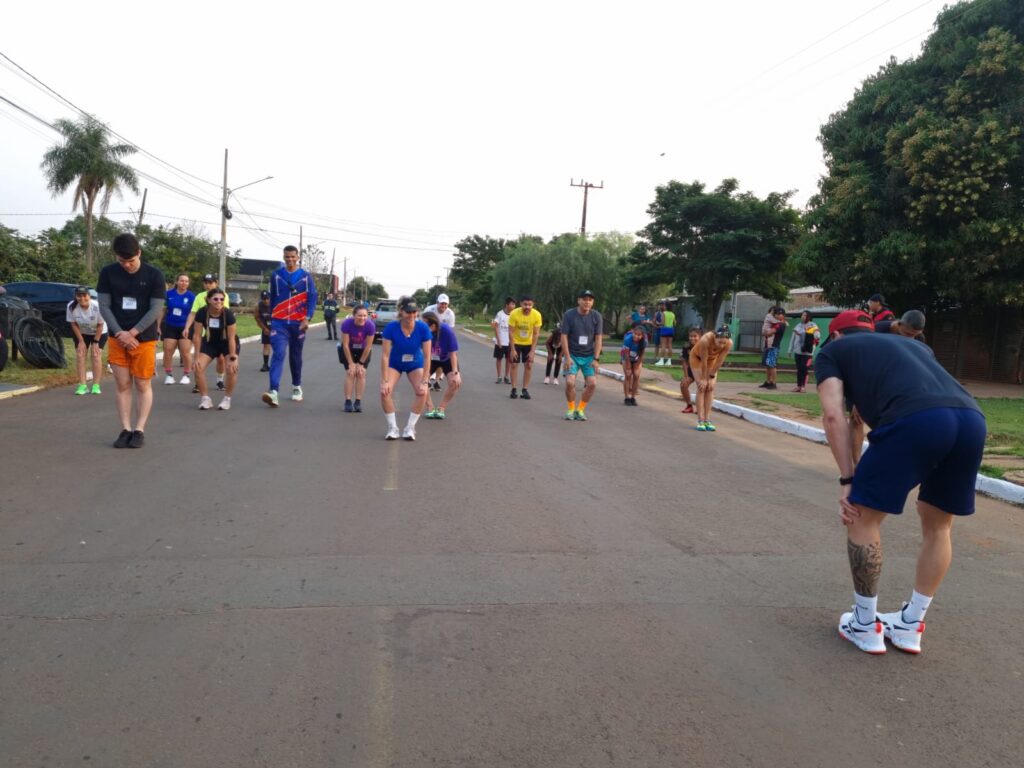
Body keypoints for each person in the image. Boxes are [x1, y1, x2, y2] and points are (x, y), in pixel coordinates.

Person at [814, 309, 986, 655]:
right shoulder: (912, 348)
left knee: (861, 517)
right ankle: (910, 625)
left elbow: (833, 415)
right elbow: (857, 422)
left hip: (917, 418)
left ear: (835, 335)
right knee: (939, 525)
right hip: (971, 419)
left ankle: (864, 624)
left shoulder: (832, 352)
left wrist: (849, 481)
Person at [96, 233, 166, 449]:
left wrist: (133, 332)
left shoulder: (154, 275)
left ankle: (139, 429)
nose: (126, 265)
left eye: (131, 261)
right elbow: (104, 306)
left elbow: (155, 308)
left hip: (143, 339)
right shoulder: (108, 273)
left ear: (139, 253)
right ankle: (125, 428)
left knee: (142, 383)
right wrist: (120, 333)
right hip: (118, 337)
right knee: (122, 383)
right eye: (122, 261)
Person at [263, 245, 317, 407]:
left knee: (295, 356)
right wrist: (271, 317)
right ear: (284, 257)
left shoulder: (306, 277)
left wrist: (307, 318)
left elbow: (312, 298)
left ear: (298, 257)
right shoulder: (276, 275)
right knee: (278, 354)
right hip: (279, 322)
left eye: (293, 257)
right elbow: (273, 296)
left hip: (298, 323)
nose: (290, 260)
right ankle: (273, 391)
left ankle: (296, 386)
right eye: (287, 257)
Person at [380, 297, 433, 440]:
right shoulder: (391, 328)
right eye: (408, 312)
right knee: (385, 392)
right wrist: (384, 380)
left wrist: (425, 380)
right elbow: (385, 356)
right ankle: (393, 428)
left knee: (422, 391)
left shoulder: (423, 328)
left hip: (415, 364)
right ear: (401, 312)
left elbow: (428, 356)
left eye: (414, 312)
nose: (411, 315)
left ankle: (410, 428)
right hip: (395, 363)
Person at [191, 288, 238, 410]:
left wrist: (233, 357)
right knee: (197, 367)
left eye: (222, 299)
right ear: (208, 300)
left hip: (227, 343)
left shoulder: (227, 314)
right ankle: (205, 399)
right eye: (215, 299)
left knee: (231, 368)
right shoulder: (202, 312)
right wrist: (195, 357)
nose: (219, 301)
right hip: (210, 342)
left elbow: (232, 338)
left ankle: (227, 399)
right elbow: (196, 336)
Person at [560, 289, 603, 421]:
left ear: (593, 302)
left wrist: (596, 358)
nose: (587, 302)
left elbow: (598, 338)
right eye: (584, 299)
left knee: (592, 384)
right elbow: (564, 336)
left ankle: (580, 410)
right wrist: (567, 357)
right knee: (569, 382)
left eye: (590, 300)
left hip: (589, 356)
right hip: (572, 354)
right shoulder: (569, 315)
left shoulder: (596, 316)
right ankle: (571, 409)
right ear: (579, 300)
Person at [185, 274, 230, 393]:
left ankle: (220, 380)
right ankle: (198, 383)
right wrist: (187, 327)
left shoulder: (222, 296)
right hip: (204, 333)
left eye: (210, 282)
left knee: (220, 359)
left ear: (216, 283)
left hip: (219, 333)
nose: (208, 285)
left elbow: (224, 313)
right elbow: (193, 313)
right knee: (198, 359)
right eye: (205, 282)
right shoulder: (199, 296)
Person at [688, 326, 734, 432]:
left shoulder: (729, 343)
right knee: (701, 387)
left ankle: (707, 420)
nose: (722, 345)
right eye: (720, 342)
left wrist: (712, 375)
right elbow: (703, 361)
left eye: (724, 342)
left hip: (712, 360)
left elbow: (720, 359)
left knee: (710, 387)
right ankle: (700, 420)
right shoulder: (705, 340)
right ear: (715, 337)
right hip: (697, 358)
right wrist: (704, 378)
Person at [67, 285, 106, 395]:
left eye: (84, 295)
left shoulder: (97, 306)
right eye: (79, 296)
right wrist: (81, 341)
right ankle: (83, 385)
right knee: (80, 355)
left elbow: (100, 325)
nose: (82, 298)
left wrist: (96, 342)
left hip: (99, 332)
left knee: (96, 355)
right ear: (76, 297)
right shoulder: (71, 306)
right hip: (82, 332)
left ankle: (96, 385)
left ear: (89, 296)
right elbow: (73, 324)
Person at [422, 310, 461, 419]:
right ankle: (430, 407)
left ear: (433, 325)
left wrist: (455, 372)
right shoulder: (423, 332)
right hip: (431, 359)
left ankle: (441, 408)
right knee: (421, 381)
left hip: (446, 358)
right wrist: (424, 375)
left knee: (455, 382)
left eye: (425, 325)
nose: (423, 328)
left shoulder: (447, 331)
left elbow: (453, 354)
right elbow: (423, 353)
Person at [339, 304, 376, 413]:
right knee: (350, 373)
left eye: (365, 315)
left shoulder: (370, 326)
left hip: (363, 350)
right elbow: (345, 345)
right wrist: (350, 363)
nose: (362, 318)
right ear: (354, 315)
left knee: (361, 373)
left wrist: (360, 363)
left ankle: (358, 401)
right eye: (359, 315)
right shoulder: (347, 324)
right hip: (348, 349)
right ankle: (348, 401)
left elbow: (369, 346)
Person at [160, 273, 195, 385]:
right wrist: (158, 325)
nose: (184, 283)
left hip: (185, 327)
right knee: (168, 350)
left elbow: (193, 313)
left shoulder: (191, 296)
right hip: (170, 326)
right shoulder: (168, 294)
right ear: (177, 281)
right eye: (181, 280)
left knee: (185, 352)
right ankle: (169, 375)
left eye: (186, 281)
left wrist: (187, 327)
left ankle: (186, 374)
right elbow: (163, 310)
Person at [507, 294, 543, 400]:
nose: (527, 307)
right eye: (525, 304)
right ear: (521, 304)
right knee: (514, 365)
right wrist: (513, 349)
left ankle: (525, 389)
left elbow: (536, 334)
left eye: (530, 305)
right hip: (516, 342)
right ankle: (514, 389)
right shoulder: (514, 313)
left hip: (529, 343)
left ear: (533, 304)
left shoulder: (537, 315)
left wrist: (532, 351)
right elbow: (511, 332)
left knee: (529, 365)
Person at [788, 310, 820, 393]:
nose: (802, 317)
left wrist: (810, 332)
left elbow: (817, 336)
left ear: (809, 317)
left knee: (804, 368)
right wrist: (790, 350)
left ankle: (803, 386)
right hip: (798, 351)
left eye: (804, 315)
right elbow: (793, 338)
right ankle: (798, 386)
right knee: (799, 369)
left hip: (808, 352)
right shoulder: (798, 325)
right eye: (802, 315)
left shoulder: (813, 325)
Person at [759, 307, 787, 390]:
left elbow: (770, 332)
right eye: (776, 314)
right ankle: (768, 381)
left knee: (772, 365)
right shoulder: (774, 323)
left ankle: (773, 383)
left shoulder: (781, 324)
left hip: (774, 346)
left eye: (779, 314)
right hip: (768, 345)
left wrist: (768, 331)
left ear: (783, 315)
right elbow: (765, 333)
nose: (777, 316)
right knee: (768, 365)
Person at [620, 323, 647, 405]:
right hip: (626, 357)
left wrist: (636, 366)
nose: (636, 336)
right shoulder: (628, 339)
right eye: (635, 334)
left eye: (639, 335)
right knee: (628, 375)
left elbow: (642, 354)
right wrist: (628, 367)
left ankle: (633, 397)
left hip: (636, 358)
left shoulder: (644, 342)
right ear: (633, 333)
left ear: (642, 336)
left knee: (636, 375)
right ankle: (626, 397)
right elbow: (626, 354)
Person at [491, 297, 515, 384]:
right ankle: (499, 376)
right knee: (499, 359)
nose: (513, 306)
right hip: (500, 342)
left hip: (510, 342)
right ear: (507, 305)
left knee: (509, 359)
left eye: (514, 304)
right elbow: (495, 327)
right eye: (512, 304)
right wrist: (499, 341)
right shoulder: (500, 314)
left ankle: (506, 376)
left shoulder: (514, 315)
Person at [679, 327, 702, 414]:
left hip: (702, 370)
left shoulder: (703, 346)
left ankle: (700, 408)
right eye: (690, 336)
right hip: (691, 369)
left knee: (701, 388)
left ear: (700, 337)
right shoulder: (686, 346)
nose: (692, 338)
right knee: (683, 385)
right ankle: (689, 406)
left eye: (695, 336)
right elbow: (684, 361)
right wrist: (686, 376)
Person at [255, 290, 273, 371]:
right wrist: (264, 328)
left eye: (267, 298)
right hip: (266, 328)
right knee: (266, 346)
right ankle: (265, 365)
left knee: (277, 346)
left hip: (276, 328)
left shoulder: (275, 304)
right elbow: (257, 318)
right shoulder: (258, 306)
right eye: (264, 299)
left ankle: (276, 364)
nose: (266, 300)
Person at [654, 301, 675, 366]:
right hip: (671, 330)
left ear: (666, 306)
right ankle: (669, 361)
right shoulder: (672, 314)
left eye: (664, 305)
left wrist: (657, 323)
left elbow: (662, 323)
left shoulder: (664, 313)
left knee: (663, 345)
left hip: (664, 330)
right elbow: (675, 323)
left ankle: (662, 360)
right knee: (670, 345)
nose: (663, 306)